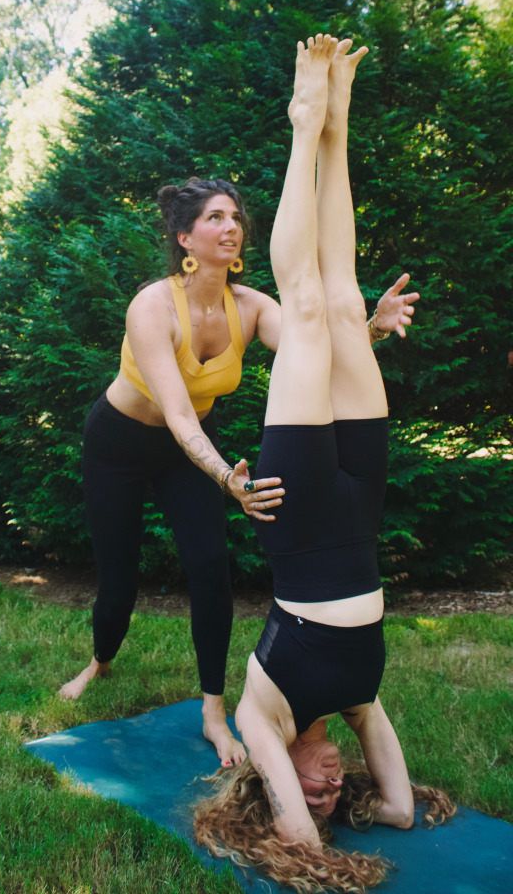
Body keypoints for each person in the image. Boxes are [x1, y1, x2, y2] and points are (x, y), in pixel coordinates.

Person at [59, 92, 419, 770]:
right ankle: (101, 659)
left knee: (209, 568)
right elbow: (174, 413)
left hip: (186, 452)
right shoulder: (152, 307)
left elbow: (316, 347)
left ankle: (212, 709)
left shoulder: (250, 306)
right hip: (119, 444)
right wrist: (228, 477)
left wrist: (369, 327)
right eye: (214, 218)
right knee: (118, 578)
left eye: (235, 217)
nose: (231, 227)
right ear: (185, 238)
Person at [194, 35, 454, 888]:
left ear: (275, 787)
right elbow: (401, 809)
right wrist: (379, 807)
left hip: (300, 512)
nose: (331, 783)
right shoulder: (355, 701)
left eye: (317, 788)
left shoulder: (263, 720)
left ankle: (304, 121)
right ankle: (338, 119)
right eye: (336, 791)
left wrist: (299, 813)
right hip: (360, 508)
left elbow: (303, 844)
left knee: (304, 306)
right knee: (344, 304)